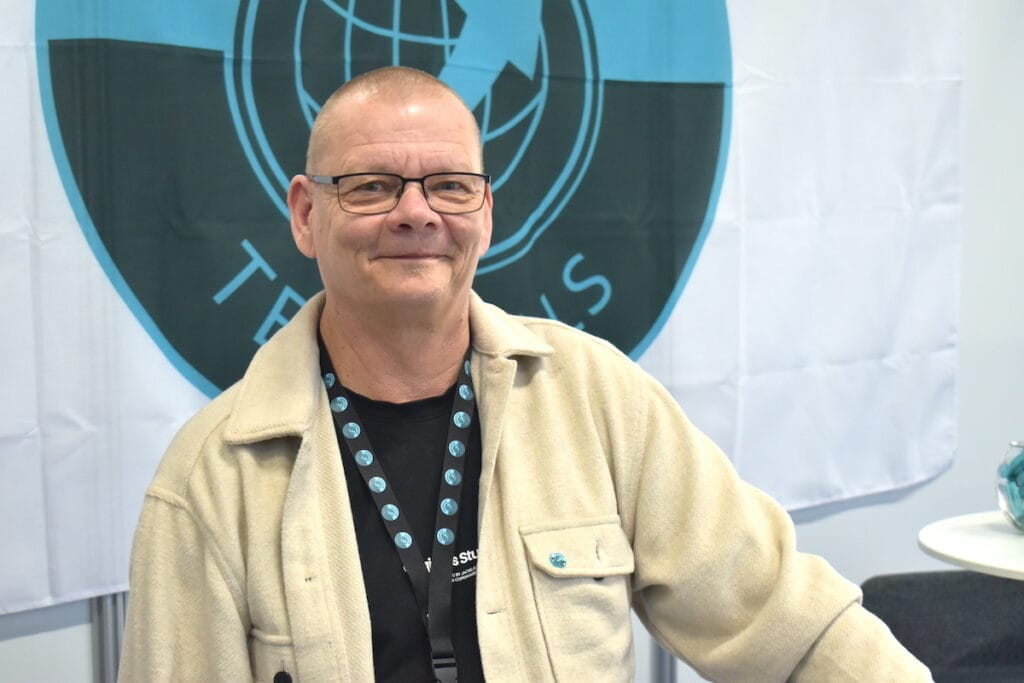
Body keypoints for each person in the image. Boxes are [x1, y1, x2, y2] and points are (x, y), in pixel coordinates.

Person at [119, 66, 930, 682]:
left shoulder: (597, 399)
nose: (416, 213)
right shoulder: (210, 479)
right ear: (306, 214)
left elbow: (794, 629)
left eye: (449, 186)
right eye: (372, 187)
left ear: (486, 211)